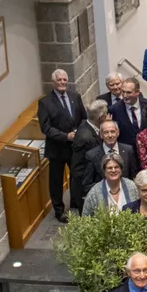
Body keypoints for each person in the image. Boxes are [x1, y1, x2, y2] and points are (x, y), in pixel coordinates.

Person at [38, 69, 86, 222]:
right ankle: (59, 210)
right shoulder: (45, 102)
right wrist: (66, 136)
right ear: (53, 82)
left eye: (64, 80)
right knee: (56, 181)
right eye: (59, 80)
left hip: (75, 147)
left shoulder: (75, 97)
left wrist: (78, 134)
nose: (62, 82)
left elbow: (83, 119)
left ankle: (76, 202)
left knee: (77, 176)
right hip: (57, 149)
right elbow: (45, 128)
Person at [70, 99, 107, 212]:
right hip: (85, 188)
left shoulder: (85, 125)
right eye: (105, 114)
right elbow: (78, 168)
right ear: (100, 118)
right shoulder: (86, 138)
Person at [111, 77, 147, 148]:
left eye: (128, 92)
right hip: (127, 153)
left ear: (137, 92)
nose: (125, 95)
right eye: (123, 91)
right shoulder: (114, 110)